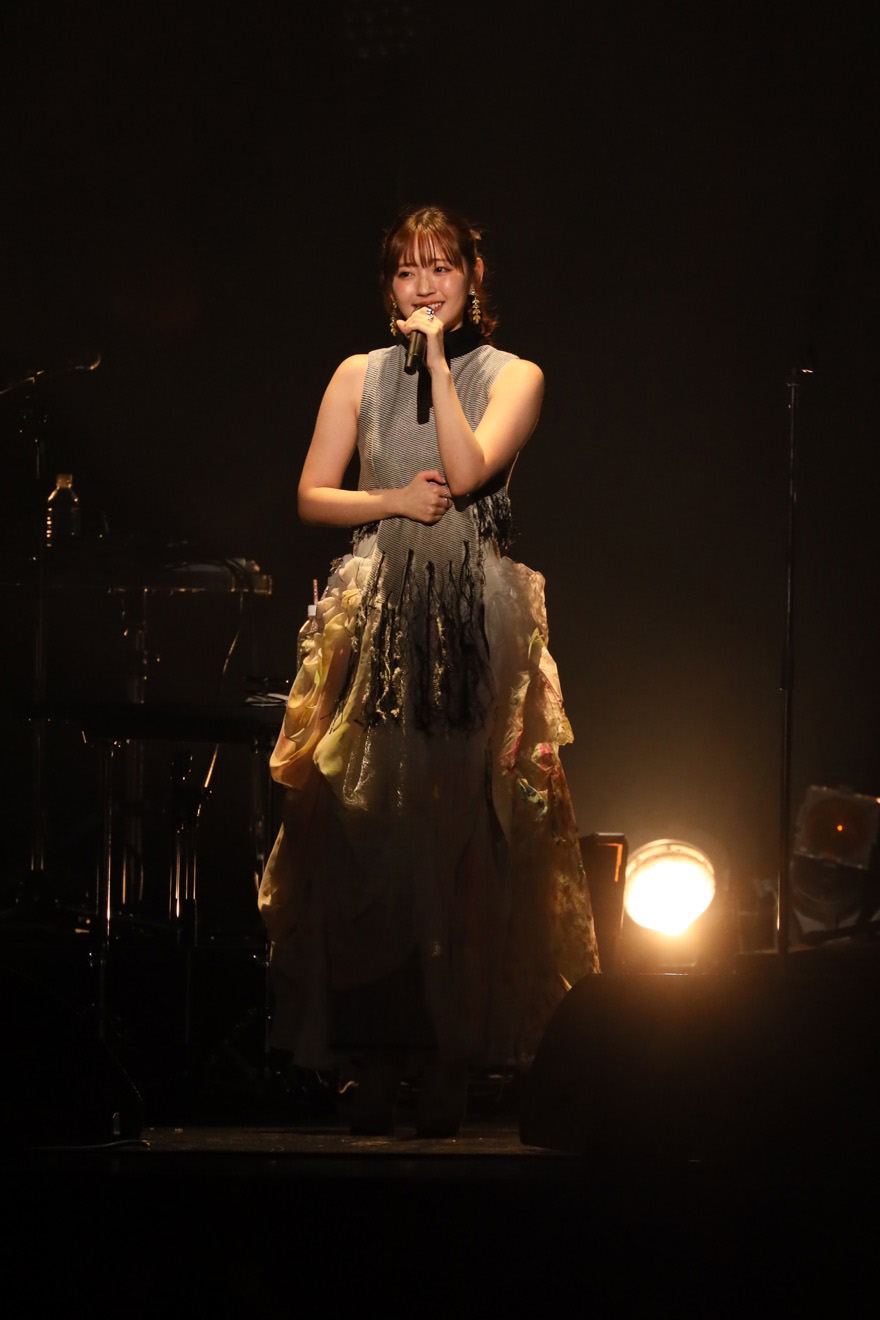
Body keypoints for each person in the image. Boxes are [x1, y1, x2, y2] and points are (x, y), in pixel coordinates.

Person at [258, 205, 598, 1136]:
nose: (425, 285)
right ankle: (372, 1061)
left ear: (472, 279)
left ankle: (451, 1065)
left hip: (471, 618)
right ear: (388, 287)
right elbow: (312, 494)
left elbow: (469, 468)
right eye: (408, 271)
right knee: (368, 837)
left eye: (442, 268)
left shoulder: (514, 375)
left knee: (462, 841)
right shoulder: (356, 374)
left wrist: (441, 364)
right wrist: (392, 501)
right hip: (381, 613)